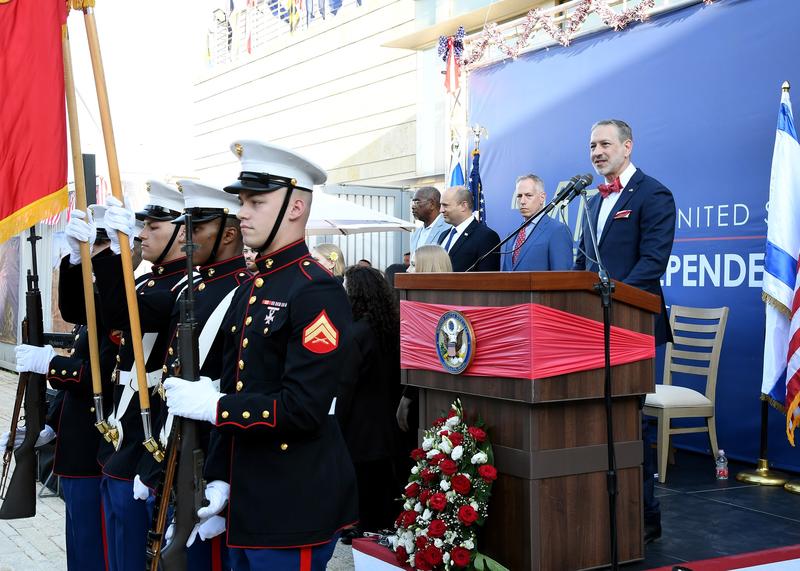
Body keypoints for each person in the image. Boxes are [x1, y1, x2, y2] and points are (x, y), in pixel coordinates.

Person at [164, 140, 357, 571]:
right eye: (242, 201)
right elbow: (235, 385)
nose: (242, 212)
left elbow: (303, 408)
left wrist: (215, 407)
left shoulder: (315, 290)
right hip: (248, 495)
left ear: (295, 208)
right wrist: (218, 475)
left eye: (256, 201)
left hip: (293, 502)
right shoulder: (253, 287)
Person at [134, 180, 249, 569]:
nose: (186, 236)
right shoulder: (194, 286)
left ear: (228, 233)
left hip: (209, 447)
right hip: (175, 443)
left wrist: (220, 474)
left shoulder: (241, 290)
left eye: (196, 228)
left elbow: (233, 387)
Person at [574, 119, 676, 545]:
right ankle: (602, 509)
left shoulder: (653, 194)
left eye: (605, 144)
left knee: (633, 422)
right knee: (597, 421)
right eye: (592, 145)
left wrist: (613, 305)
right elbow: (583, 264)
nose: (596, 152)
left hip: (633, 325)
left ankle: (645, 516)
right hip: (592, 326)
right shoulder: (592, 201)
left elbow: (651, 264)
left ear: (628, 146)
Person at [9, 205, 118, 571]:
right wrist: (50, 423)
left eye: (98, 244)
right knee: (79, 546)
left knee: (94, 548)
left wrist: (50, 364)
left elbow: (100, 375)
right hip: (75, 446)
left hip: (94, 448)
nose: (91, 254)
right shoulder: (100, 301)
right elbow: (73, 311)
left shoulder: (124, 307)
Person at [89, 182, 188, 571]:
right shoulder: (148, 281)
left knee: (132, 553)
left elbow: (119, 311)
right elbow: (85, 311)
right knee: (117, 550)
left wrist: (116, 257)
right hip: (122, 432)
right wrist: (80, 262)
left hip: (146, 440)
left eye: (152, 228)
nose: (143, 234)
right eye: (141, 227)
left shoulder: (181, 288)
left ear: (182, 232)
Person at [337, 265, 402, 542]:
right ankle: (384, 521)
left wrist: (336, 420)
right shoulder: (391, 327)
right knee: (382, 477)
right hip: (388, 413)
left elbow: (345, 383)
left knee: (361, 475)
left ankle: (360, 524)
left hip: (360, 417)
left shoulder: (354, 333)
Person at [501, 174, 573, 271]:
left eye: (528, 195)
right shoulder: (511, 235)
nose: (522, 201)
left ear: (542, 197)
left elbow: (562, 277)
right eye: (519, 196)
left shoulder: (557, 231)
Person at [438, 185, 500, 271]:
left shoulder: (486, 236)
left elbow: (487, 278)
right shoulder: (443, 235)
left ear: (463, 206)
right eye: (441, 205)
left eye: (445, 205)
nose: (441, 210)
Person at [409, 186, 451, 255]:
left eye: (417, 202)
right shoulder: (416, 233)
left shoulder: (448, 229)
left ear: (432, 204)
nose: (413, 207)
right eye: (413, 202)